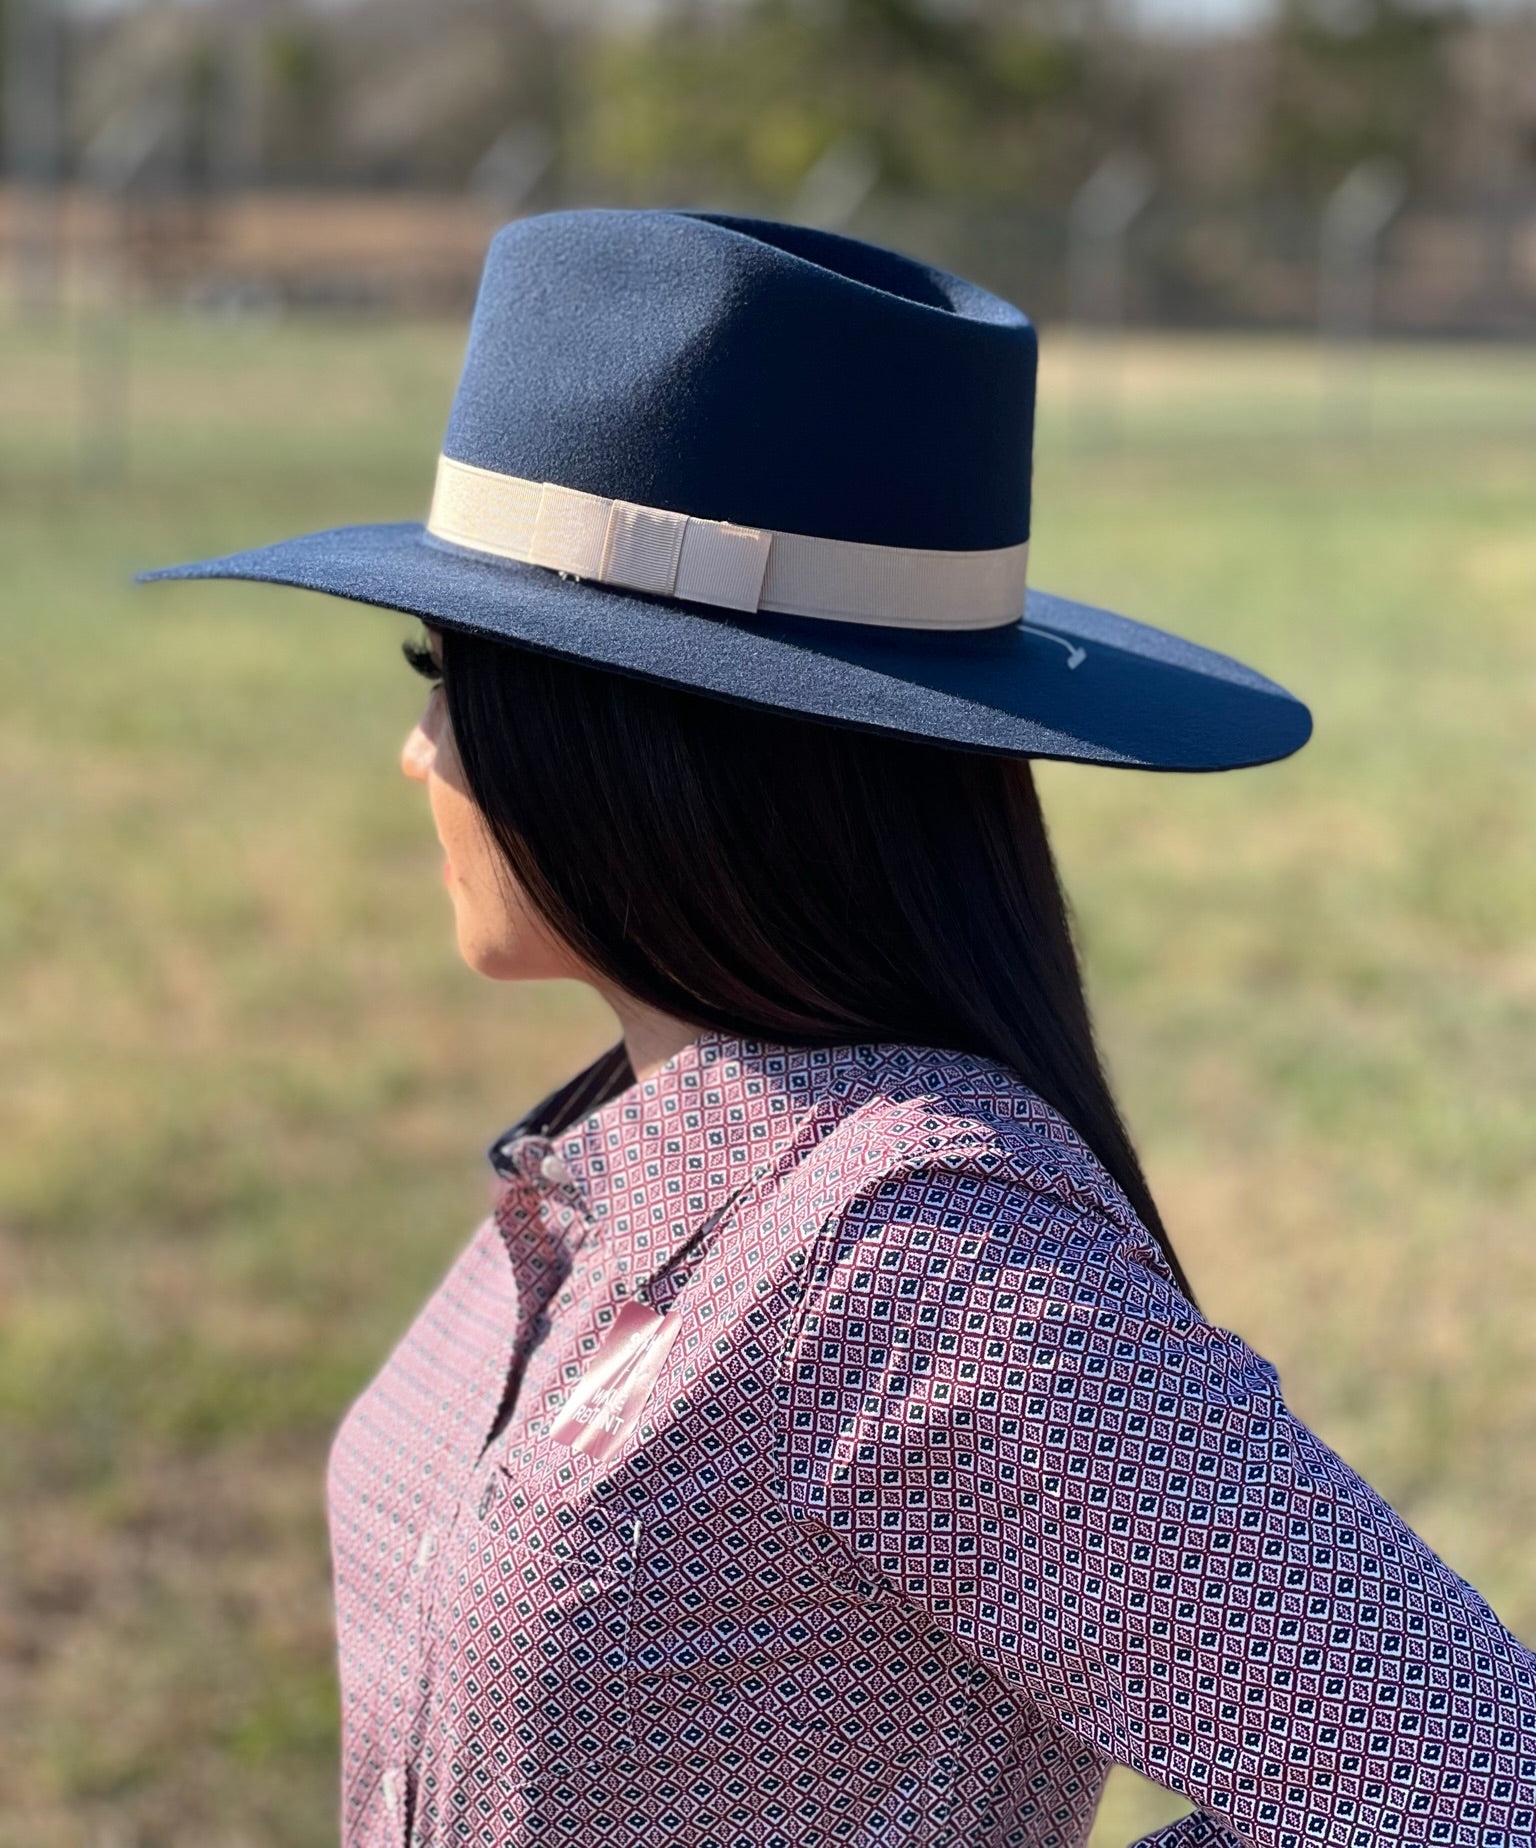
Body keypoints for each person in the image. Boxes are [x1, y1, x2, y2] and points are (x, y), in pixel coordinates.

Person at [140, 210, 1534, 1848]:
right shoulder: (634, 1148)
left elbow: (1477, 1783)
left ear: (644, 743)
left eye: (450, 671)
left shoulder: (906, 1256)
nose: (417, 751)